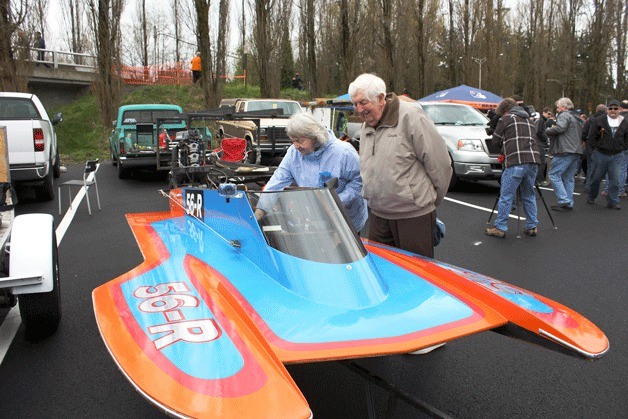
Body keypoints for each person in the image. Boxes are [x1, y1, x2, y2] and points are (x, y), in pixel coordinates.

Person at [348, 73, 451, 258]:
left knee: (416, 277)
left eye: (363, 102)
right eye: (355, 104)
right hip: (379, 215)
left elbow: (440, 164)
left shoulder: (411, 117)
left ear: (380, 98)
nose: (359, 109)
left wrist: (426, 202)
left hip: (412, 216)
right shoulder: (367, 125)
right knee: (382, 272)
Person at [254, 112, 367, 232]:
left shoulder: (343, 152)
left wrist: (337, 201)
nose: (296, 146)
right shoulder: (293, 154)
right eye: (293, 141)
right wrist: (261, 210)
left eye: (300, 141)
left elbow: (358, 182)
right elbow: (277, 181)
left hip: (347, 219)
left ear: (315, 136)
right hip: (316, 219)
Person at [485, 98, 541, 238]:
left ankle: (501, 227)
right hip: (533, 160)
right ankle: (532, 225)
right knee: (529, 194)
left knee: (506, 196)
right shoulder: (529, 120)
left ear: (504, 110)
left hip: (516, 161)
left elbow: (495, 140)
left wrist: (504, 142)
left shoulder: (506, 118)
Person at [586, 99, 628, 210]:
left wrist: (622, 148)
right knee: (596, 178)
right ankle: (592, 195)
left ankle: (613, 201)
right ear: (607, 109)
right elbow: (591, 137)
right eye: (610, 108)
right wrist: (595, 149)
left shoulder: (624, 122)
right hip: (601, 153)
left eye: (615, 108)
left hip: (617, 154)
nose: (613, 111)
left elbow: (626, 137)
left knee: (615, 179)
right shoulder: (599, 120)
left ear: (619, 109)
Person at [545, 97, 583, 210]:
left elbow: (560, 128)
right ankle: (569, 202)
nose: (557, 109)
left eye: (558, 107)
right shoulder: (577, 117)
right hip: (576, 150)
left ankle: (563, 199)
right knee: (569, 177)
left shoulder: (564, 115)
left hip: (565, 150)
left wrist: (546, 131)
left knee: (554, 175)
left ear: (564, 107)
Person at [582, 104, 607, 192]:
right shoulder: (606, 121)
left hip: (590, 147)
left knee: (590, 167)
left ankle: (588, 186)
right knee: (601, 169)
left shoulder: (589, 120)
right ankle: (593, 187)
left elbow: (584, 133)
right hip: (602, 148)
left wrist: (586, 142)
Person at [534, 107, 552, 185]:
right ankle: (539, 180)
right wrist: (545, 139)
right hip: (539, 144)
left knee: (540, 162)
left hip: (539, 143)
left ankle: (537, 179)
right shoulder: (541, 120)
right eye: (548, 113)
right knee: (541, 163)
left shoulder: (541, 121)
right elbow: (539, 132)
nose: (549, 115)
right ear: (544, 112)